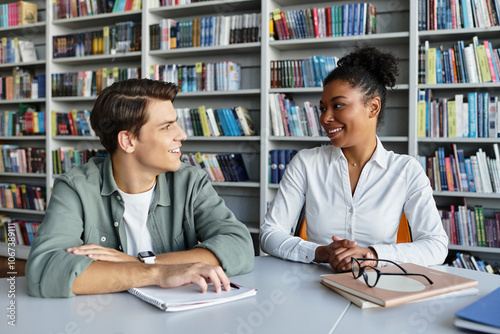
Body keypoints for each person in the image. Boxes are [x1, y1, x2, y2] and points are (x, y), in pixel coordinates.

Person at [27, 79, 254, 297]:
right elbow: (45, 270)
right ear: (128, 141)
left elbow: (239, 246)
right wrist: (157, 273)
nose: (182, 135)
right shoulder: (75, 187)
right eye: (166, 127)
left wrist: (141, 262)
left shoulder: (191, 181)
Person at [260, 45, 448, 272]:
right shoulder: (306, 163)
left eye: (338, 105)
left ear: (373, 107)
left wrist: (373, 255)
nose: (325, 118)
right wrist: (320, 252)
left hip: (378, 286)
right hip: (316, 286)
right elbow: (270, 234)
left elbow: (436, 246)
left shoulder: (406, 170)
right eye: (322, 108)